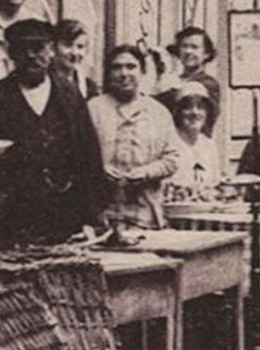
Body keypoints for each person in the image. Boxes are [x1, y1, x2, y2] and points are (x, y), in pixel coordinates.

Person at [0, 19, 104, 250]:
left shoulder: (69, 96)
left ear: (50, 51)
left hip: (63, 213)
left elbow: (88, 155)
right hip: (9, 217)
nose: (31, 56)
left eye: (38, 48)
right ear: (11, 53)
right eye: (22, 49)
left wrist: (92, 216)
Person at [88, 44, 180, 228]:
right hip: (100, 213)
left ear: (142, 71)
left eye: (131, 67)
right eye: (117, 67)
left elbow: (172, 159)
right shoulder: (92, 109)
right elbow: (76, 154)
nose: (124, 73)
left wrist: (146, 172)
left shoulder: (158, 112)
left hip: (145, 213)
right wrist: (100, 169)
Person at [167, 82, 223, 194]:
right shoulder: (168, 143)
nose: (195, 113)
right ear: (178, 112)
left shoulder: (209, 145)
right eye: (187, 107)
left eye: (201, 107)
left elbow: (216, 183)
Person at [166, 25, 222, 136]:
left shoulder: (208, 83)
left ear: (206, 54)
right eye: (184, 46)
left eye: (194, 47)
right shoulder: (173, 80)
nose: (188, 51)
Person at [52, 18, 100, 99]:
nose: (74, 53)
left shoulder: (89, 87)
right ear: (54, 47)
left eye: (80, 46)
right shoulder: (45, 82)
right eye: (68, 45)